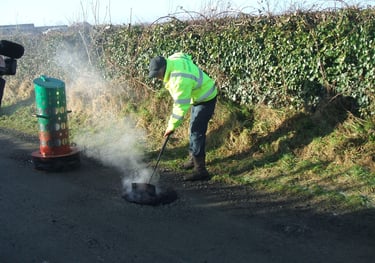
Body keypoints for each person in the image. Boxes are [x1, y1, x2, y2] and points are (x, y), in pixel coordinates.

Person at [148, 52, 217, 181]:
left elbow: (180, 107)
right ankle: (193, 159)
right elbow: (184, 55)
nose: (157, 78)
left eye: (157, 74)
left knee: (196, 132)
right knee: (192, 128)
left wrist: (171, 127)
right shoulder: (173, 60)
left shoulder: (179, 79)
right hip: (199, 95)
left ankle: (200, 170)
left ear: (163, 68)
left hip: (206, 97)